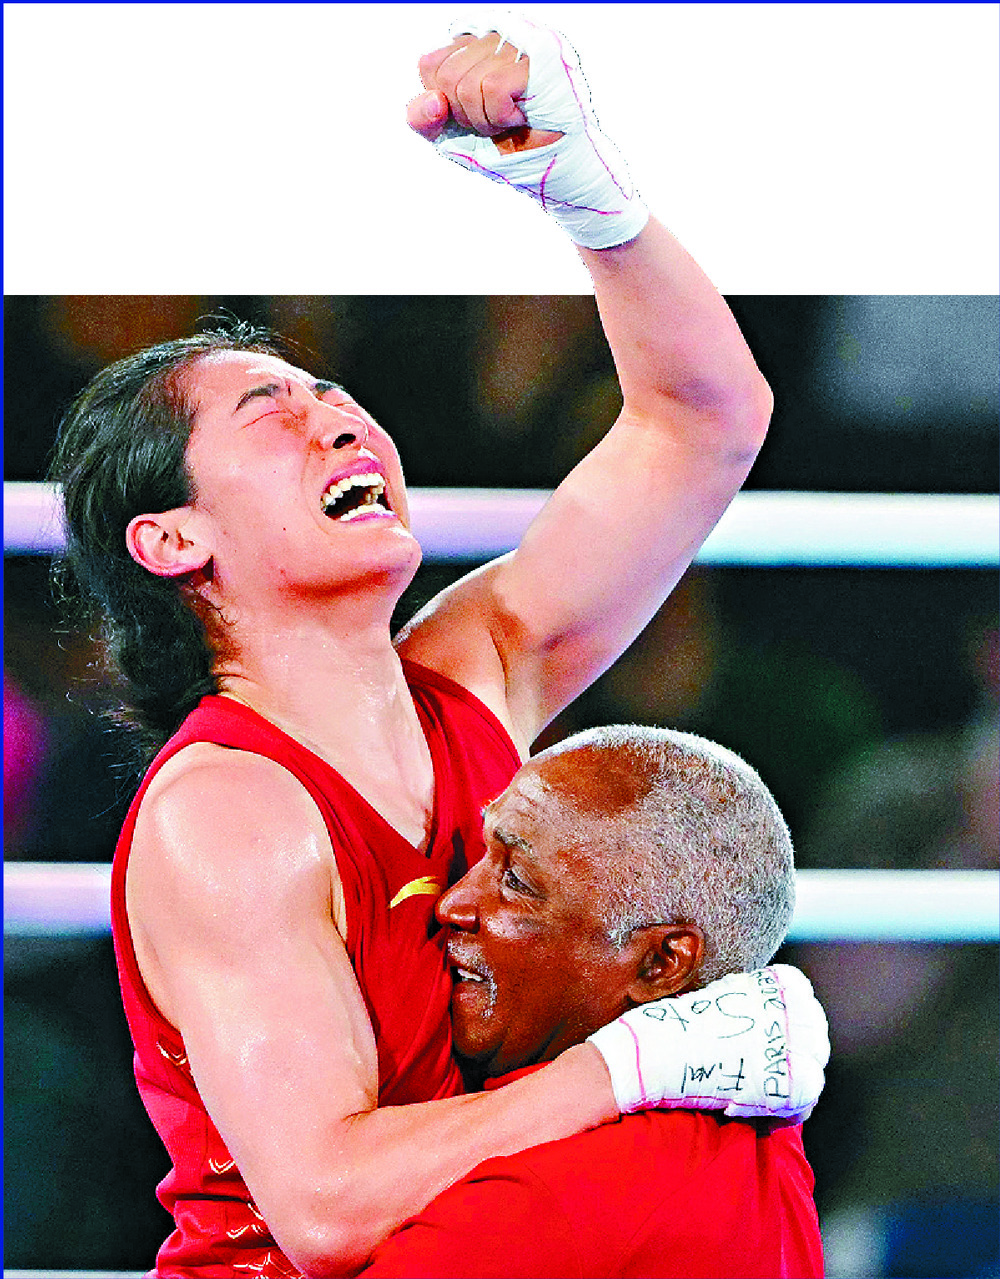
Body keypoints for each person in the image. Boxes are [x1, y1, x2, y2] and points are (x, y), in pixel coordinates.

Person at [49, 15, 828, 1279]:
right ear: (173, 538)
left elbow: (706, 422)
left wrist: (590, 197)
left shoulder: (475, 663)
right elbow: (328, 1209)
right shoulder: (230, 812)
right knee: (682, 1142)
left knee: (730, 1161)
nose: (339, 422)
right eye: (269, 411)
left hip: (482, 1244)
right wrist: (624, 1067)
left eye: (334, 396)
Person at [359, 724, 824, 1279]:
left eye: (517, 882)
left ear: (660, 964)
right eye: (485, 855)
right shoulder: (764, 1152)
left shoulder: (547, 1201)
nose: (453, 904)